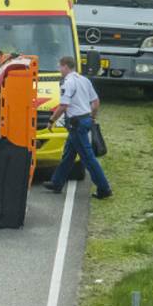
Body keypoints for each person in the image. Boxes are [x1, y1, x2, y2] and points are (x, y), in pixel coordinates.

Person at [42, 57, 112, 199]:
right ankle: (56, 182)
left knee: (88, 158)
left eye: (60, 67)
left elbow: (63, 106)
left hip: (76, 124)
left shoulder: (68, 83)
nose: (59, 70)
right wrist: (92, 117)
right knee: (68, 155)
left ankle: (104, 188)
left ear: (65, 66)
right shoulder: (84, 80)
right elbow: (96, 101)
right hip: (84, 120)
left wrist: (51, 120)